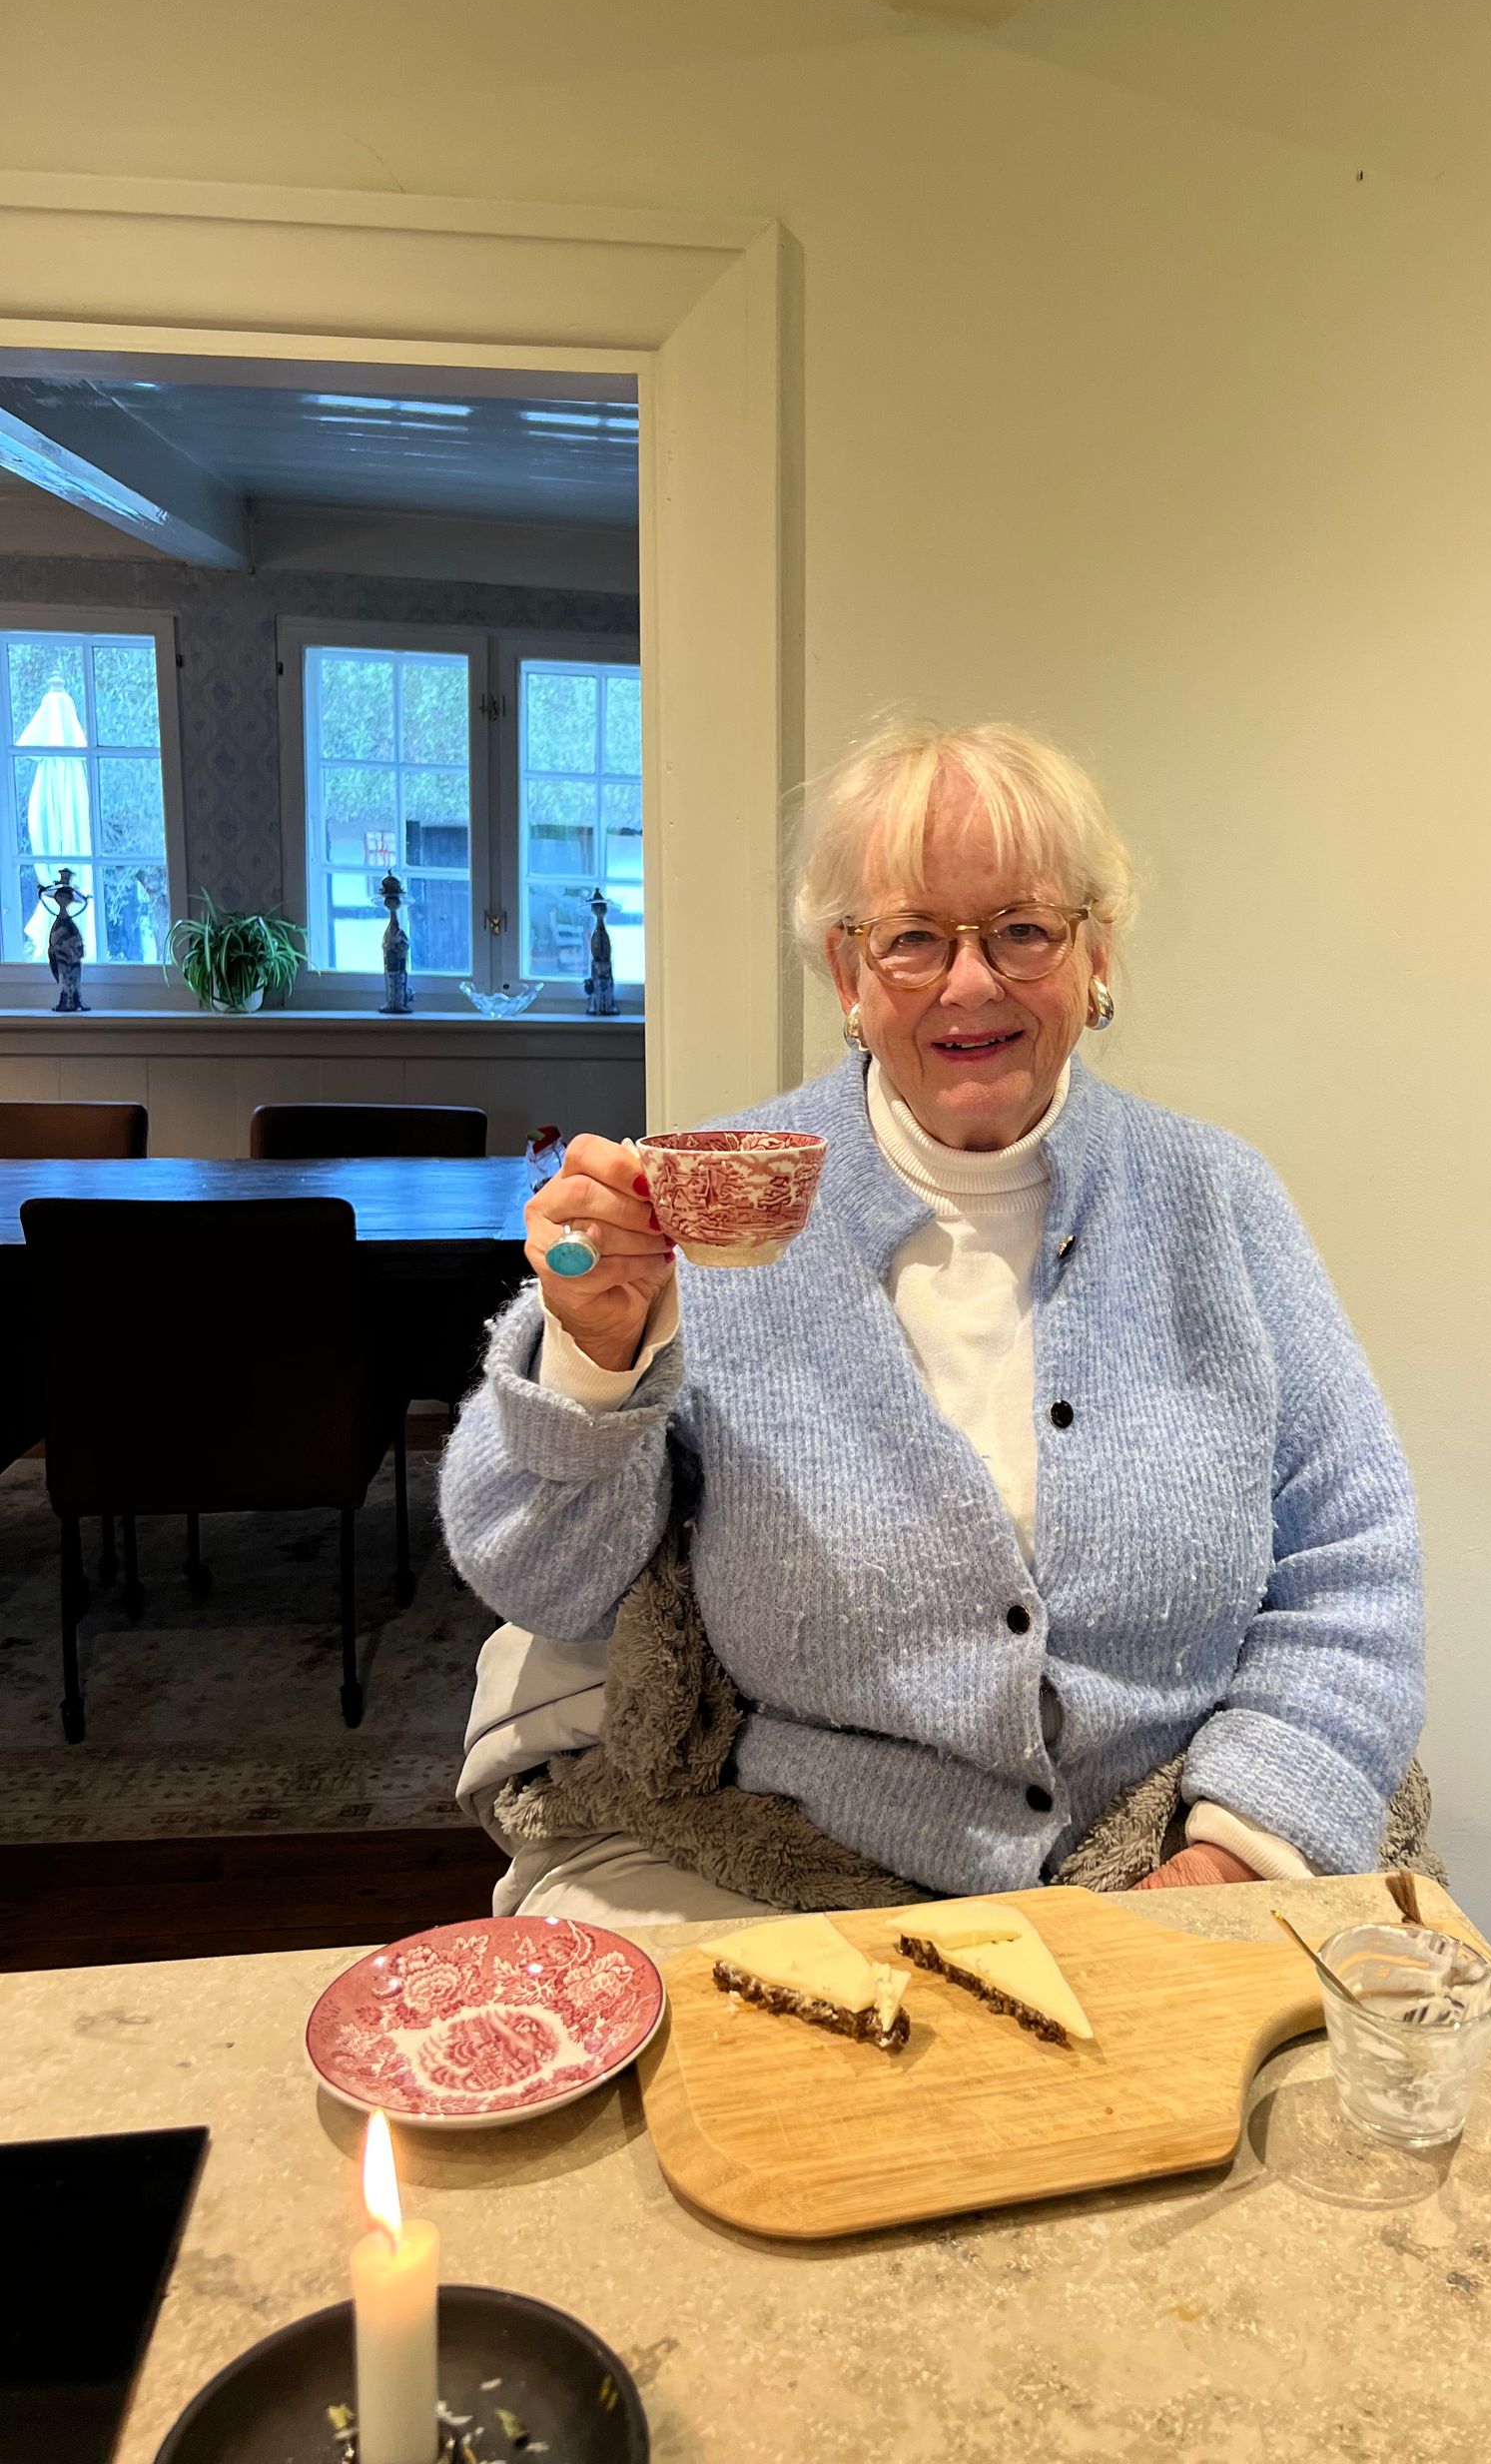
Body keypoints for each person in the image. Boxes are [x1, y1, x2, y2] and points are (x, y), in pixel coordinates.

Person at [443, 720, 1424, 1932]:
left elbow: (1354, 1558)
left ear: (1094, 953)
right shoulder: (714, 1207)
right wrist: (594, 1359)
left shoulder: (1216, 1201)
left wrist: (1214, 1871)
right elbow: (546, 1583)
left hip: (1166, 1849)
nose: (971, 983)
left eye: (1022, 928)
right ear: (848, 976)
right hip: (796, 1872)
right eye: (913, 938)